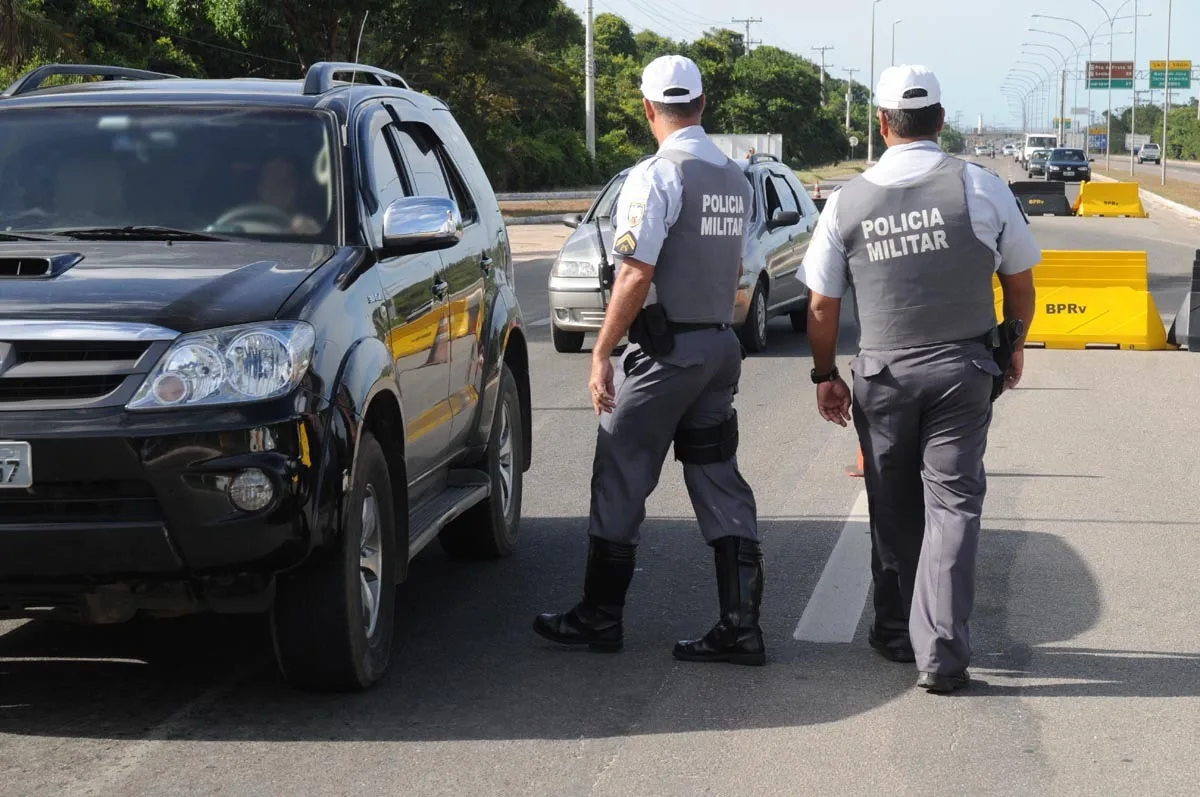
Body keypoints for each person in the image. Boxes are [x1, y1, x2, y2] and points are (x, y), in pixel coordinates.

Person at [799, 65, 1039, 693]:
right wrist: (1011, 346)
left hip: (883, 375)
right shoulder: (981, 187)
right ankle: (943, 653)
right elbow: (1020, 284)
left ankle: (896, 631)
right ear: (940, 119)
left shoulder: (846, 201)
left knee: (893, 504)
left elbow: (822, 307)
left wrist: (826, 374)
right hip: (963, 371)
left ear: (882, 124)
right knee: (954, 508)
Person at [533, 55, 764, 665]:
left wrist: (602, 350)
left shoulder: (656, 176)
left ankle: (599, 618)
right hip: (719, 346)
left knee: (621, 472)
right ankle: (741, 628)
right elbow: (735, 269)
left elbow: (636, 274)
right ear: (703, 104)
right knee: (717, 476)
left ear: (646, 108)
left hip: (665, 353)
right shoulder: (735, 180)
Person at [257, 156, 321, 234]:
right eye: (272, 175)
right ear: (260, 186)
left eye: (286, 179)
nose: (278, 185)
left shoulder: (304, 229)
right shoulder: (242, 223)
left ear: (298, 189)